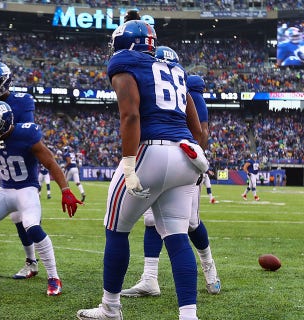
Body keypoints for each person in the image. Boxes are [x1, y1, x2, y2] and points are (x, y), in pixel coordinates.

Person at [76, 20, 204, 320]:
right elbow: (197, 129)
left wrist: (129, 165)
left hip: (152, 150)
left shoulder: (124, 61)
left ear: (127, 43)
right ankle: (188, 315)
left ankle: (110, 308)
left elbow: (131, 116)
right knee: (176, 235)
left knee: (116, 231)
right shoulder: (175, 69)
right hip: (187, 156)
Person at [119, 46, 221, 300]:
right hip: (163, 158)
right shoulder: (160, 80)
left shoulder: (186, 89)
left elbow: (201, 134)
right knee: (151, 221)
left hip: (183, 161)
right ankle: (149, 279)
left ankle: (210, 270)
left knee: (192, 224)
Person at [0, 100, 82, 296]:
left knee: (32, 227)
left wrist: (66, 190)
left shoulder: (27, 135)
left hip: (26, 190)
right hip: (6, 190)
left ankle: (54, 277)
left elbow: (50, 162)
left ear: (3, 123)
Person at [0, 61, 43, 279]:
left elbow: (24, 136)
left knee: (19, 215)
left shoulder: (22, 101)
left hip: (14, 160)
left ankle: (31, 262)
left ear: (5, 82)